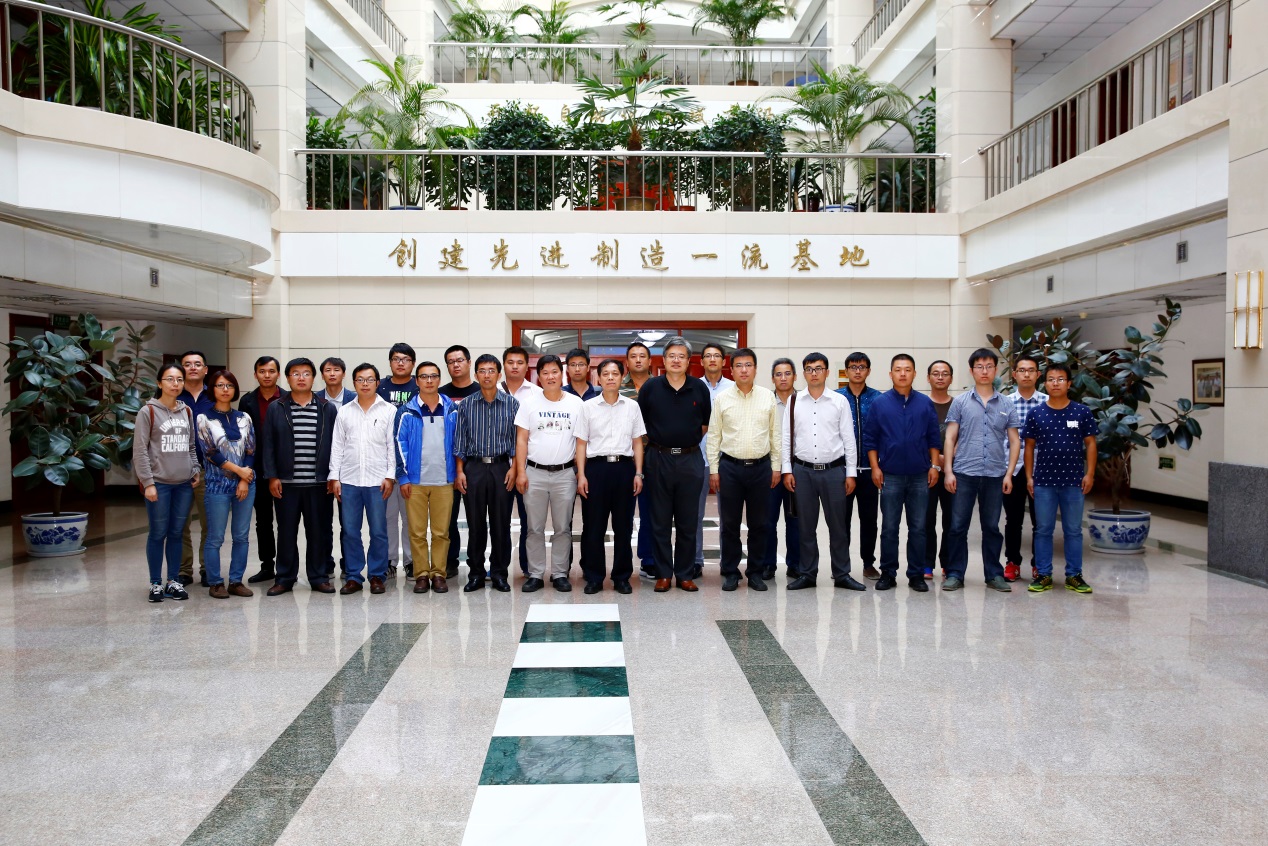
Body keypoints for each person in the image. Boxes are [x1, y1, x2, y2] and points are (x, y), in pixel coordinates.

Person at [943, 348, 1021, 592]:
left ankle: (994, 574)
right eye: (979, 366)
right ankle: (955, 573)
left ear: (995, 370)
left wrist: (1009, 474)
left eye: (989, 366)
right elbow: (950, 437)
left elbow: (1015, 441)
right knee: (958, 526)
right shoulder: (960, 402)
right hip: (964, 472)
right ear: (971, 371)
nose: (984, 371)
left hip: (995, 475)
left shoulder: (1006, 403)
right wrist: (948, 471)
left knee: (991, 527)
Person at [781, 353, 861, 591]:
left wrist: (851, 473)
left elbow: (849, 440)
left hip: (834, 471)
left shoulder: (839, 401)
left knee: (838, 527)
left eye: (818, 368)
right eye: (809, 369)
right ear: (803, 374)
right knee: (805, 527)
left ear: (827, 372)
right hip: (802, 471)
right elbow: (786, 439)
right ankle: (807, 574)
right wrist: (787, 471)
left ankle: (842, 573)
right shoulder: (794, 401)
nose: (814, 373)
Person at [863, 355, 942, 593]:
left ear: (915, 374)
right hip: (891, 475)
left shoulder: (925, 403)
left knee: (918, 527)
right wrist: (875, 468)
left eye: (908, 369)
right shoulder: (880, 403)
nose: (903, 374)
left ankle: (916, 574)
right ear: (891, 374)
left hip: (920, 475)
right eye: (898, 370)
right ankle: (888, 573)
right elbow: (871, 439)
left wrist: (934, 466)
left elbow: (933, 438)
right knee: (889, 527)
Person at [639, 337, 711, 592]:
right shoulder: (651, 387)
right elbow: (641, 425)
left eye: (681, 356)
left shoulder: (699, 388)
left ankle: (684, 574)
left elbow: (704, 425)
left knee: (687, 521)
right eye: (672, 356)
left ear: (689, 361)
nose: (676, 360)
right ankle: (663, 574)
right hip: (658, 458)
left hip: (690, 459)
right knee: (659, 520)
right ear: (664, 360)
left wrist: (683, 444)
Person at [262, 358, 339, 596]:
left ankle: (318, 577)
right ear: (287, 378)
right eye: (295, 373)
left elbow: (336, 445)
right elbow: (268, 444)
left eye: (306, 373)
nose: (301, 378)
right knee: (286, 532)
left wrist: (333, 476)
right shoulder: (277, 407)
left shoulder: (327, 408)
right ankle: (285, 578)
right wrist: (272, 476)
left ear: (314, 378)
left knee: (318, 532)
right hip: (286, 484)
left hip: (319, 483)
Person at [707, 348, 779, 592]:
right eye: (739, 365)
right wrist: (714, 469)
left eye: (748, 365)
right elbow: (714, 436)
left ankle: (755, 572)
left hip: (761, 468)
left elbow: (775, 435)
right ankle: (730, 571)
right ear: (732, 370)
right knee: (730, 524)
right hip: (730, 468)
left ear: (755, 369)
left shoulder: (767, 397)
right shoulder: (722, 398)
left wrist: (776, 467)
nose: (744, 370)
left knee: (759, 524)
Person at [1023, 362, 1096, 595]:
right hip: (1043, 482)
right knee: (1043, 530)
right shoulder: (1036, 413)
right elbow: (1029, 447)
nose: (1056, 383)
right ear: (1045, 383)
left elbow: (1091, 444)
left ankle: (1074, 575)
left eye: (1061, 379)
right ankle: (1043, 574)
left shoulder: (1081, 412)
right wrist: (1029, 477)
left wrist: (1090, 474)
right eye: (1051, 379)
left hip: (1073, 482)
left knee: (1073, 530)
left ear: (1069, 383)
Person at [514, 355, 585, 593]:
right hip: (534, 472)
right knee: (534, 527)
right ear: (539, 376)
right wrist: (520, 471)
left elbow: (581, 441)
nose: (550, 376)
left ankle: (559, 573)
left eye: (554, 372)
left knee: (562, 527)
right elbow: (521, 440)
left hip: (565, 474)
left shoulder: (576, 404)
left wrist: (580, 473)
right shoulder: (529, 404)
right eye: (545, 372)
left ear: (561, 374)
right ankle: (535, 574)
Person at [575, 359, 645, 594]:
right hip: (596, 470)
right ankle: (594, 576)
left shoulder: (632, 406)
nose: (611, 377)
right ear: (598, 378)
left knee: (624, 526)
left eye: (615, 373)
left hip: (624, 469)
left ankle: (621, 576)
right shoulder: (588, 407)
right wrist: (581, 475)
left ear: (622, 377)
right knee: (594, 526)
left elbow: (637, 442)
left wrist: (638, 472)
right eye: (605, 374)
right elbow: (581, 444)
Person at [329, 364, 398, 595]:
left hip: (378, 481)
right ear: (354, 383)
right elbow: (337, 446)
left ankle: (377, 575)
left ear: (377, 383)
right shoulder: (344, 411)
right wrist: (334, 477)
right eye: (360, 380)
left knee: (378, 531)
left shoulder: (389, 410)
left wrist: (390, 476)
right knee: (350, 531)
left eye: (369, 379)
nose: (365, 384)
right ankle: (353, 576)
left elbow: (392, 446)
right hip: (349, 480)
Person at [453, 354, 519, 593]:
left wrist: (514, 468)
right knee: (475, 524)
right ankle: (476, 574)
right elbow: (459, 441)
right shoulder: (466, 404)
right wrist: (460, 471)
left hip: (502, 467)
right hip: (474, 468)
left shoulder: (512, 404)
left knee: (501, 524)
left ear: (499, 375)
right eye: (482, 371)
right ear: (476, 375)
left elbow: (518, 441)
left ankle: (500, 573)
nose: (487, 375)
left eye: (491, 371)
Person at [135, 363, 200, 603]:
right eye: (170, 379)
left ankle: (173, 581)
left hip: (183, 484)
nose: (175, 384)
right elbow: (140, 451)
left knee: (176, 532)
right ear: (159, 383)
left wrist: (195, 469)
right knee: (158, 532)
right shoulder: (148, 412)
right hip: (159, 484)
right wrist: (148, 483)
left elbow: (191, 445)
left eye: (179, 379)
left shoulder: (187, 412)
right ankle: (155, 583)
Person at [395, 361, 459, 595]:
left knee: (442, 532)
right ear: (417, 380)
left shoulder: (452, 410)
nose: (429, 381)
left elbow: (459, 443)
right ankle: (421, 574)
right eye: (424, 376)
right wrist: (403, 477)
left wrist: (457, 473)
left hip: (444, 481)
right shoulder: (407, 411)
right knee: (417, 532)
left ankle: (439, 574)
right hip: (415, 482)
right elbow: (398, 444)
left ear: (439, 379)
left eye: (433, 376)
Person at [196, 370, 256, 598]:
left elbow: (251, 450)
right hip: (216, 485)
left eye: (229, 385)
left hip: (245, 485)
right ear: (212, 389)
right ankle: (215, 582)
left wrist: (243, 479)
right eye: (220, 385)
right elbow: (210, 453)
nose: (225, 389)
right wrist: (239, 471)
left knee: (241, 536)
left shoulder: (244, 417)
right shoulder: (203, 418)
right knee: (215, 537)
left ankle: (236, 581)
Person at [239, 356, 286, 584]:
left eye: (271, 371)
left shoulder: (287, 398)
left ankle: (286, 566)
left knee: (286, 521)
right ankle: (267, 565)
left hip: (284, 470)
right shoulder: (247, 401)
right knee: (263, 521)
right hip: (257, 469)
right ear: (255, 374)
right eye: (262, 371)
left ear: (278, 374)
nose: (267, 375)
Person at [1003, 354, 1048, 582]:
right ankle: (1012, 562)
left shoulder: (1048, 402)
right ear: (1014, 375)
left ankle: (1039, 564)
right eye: (1022, 370)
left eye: (1031, 370)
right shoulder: (1005, 402)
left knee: (1041, 521)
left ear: (1038, 374)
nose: (1026, 374)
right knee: (1013, 520)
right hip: (1012, 469)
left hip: (1041, 469)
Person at [838, 352, 883, 579]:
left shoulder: (878, 399)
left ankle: (868, 563)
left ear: (868, 371)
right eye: (853, 367)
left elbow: (883, 433)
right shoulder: (836, 398)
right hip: (842, 471)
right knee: (841, 520)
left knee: (869, 520)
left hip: (869, 470)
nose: (857, 371)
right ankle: (842, 565)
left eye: (862, 367)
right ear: (846, 371)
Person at [378, 342, 419, 579]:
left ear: (412, 363)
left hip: (411, 464)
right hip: (384, 464)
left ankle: (412, 561)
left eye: (405, 359)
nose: (400, 363)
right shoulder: (380, 388)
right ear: (390, 362)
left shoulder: (419, 387)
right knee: (388, 517)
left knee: (411, 517)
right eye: (396, 359)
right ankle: (390, 560)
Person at [694, 343, 734, 580]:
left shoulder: (733, 388)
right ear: (701, 361)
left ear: (723, 361)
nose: (712, 359)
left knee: (728, 516)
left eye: (716, 356)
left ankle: (727, 563)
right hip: (697, 458)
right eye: (707, 356)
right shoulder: (693, 387)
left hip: (725, 459)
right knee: (694, 515)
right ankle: (696, 561)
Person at [439, 344, 480, 580]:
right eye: (451, 362)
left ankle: (476, 564)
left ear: (469, 362)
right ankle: (450, 562)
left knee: (476, 518)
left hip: (475, 464)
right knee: (448, 518)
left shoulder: (480, 390)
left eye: (460, 360)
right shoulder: (441, 393)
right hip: (446, 464)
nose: (456, 365)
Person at [500, 346, 541, 576]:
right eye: (510, 362)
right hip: (499, 467)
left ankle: (528, 568)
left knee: (529, 521)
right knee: (500, 521)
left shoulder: (537, 393)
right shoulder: (492, 389)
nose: (515, 366)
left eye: (519, 362)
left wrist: (519, 467)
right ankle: (500, 568)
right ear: (504, 365)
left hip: (528, 468)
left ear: (527, 366)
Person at [177, 350, 214, 587]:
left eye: (197, 364)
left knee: (209, 524)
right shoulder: (172, 395)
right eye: (187, 364)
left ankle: (207, 569)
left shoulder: (215, 395)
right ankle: (183, 570)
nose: (193, 368)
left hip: (209, 470)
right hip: (178, 471)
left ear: (205, 369)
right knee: (180, 524)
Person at [620, 341, 656, 581]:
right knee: (623, 514)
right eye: (633, 356)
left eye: (643, 356)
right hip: (624, 458)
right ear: (627, 362)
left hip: (653, 457)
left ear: (650, 361)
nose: (638, 360)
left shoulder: (660, 386)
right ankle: (621, 564)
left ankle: (649, 560)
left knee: (651, 513)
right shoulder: (616, 386)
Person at [763, 357, 800, 581]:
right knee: (768, 520)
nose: (783, 378)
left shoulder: (804, 401)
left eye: (787, 373)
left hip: (799, 469)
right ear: (772, 378)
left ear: (795, 376)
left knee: (796, 519)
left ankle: (795, 564)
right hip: (771, 469)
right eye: (778, 374)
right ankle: (768, 564)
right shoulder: (765, 401)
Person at [318, 357, 355, 580]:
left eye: (337, 370)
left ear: (344, 374)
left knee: (348, 522)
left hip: (349, 469)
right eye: (328, 370)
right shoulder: (314, 399)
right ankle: (326, 564)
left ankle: (348, 565)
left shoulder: (355, 398)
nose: (332, 373)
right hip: (322, 469)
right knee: (323, 521)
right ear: (322, 374)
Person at [924, 360, 955, 580]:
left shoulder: (959, 405)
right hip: (927, 471)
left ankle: (948, 563)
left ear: (951, 378)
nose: (940, 377)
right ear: (928, 378)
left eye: (945, 373)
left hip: (953, 471)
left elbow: (964, 435)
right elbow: (917, 437)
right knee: (926, 520)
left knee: (951, 520)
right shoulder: (921, 404)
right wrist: (935, 460)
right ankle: (926, 563)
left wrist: (948, 460)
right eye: (936, 373)